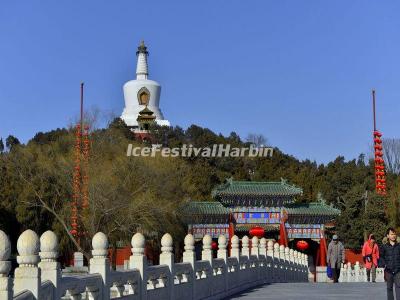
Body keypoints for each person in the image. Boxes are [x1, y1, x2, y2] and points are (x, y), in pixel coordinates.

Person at [381, 227, 400, 300]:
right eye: (392, 234)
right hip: (388, 270)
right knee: (389, 288)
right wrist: (384, 264)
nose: (393, 236)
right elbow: (381, 257)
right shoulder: (384, 247)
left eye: (394, 234)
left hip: (398, 270)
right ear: (388, 236)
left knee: (398, 287)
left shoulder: (399, 246)